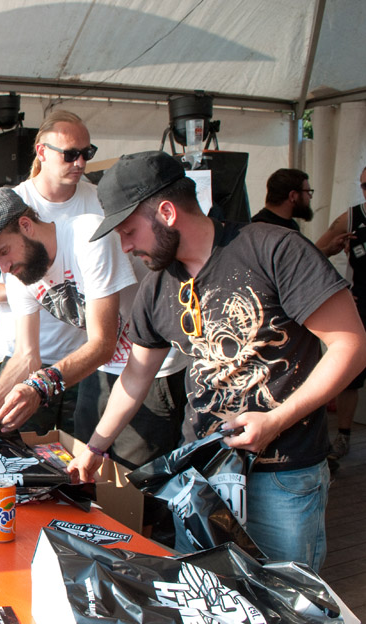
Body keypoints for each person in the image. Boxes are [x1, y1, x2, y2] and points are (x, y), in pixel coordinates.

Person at [70, 150, 366, 570]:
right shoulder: (158, 286)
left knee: (286, 605)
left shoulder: (274, 249)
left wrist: (277, 420)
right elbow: (136, 376)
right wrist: (96, 447)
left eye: (129, 230)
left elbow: (351, 346)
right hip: (205, 478)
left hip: (283, 475)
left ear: (167, 212)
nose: (126, 245)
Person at [0, 187, 186, 477]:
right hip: (102, 369)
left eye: (4, 252)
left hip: (151, 368)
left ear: (26, 226)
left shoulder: (86, 236)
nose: (5, 267)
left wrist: (40, 387)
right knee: (86, 469)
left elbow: (103, 342)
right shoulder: (18, 275)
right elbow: (27, 356)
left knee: (133, 481)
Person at [0, 110, 102, 431]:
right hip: (22, 357)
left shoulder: (97, 205)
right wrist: (45, 291)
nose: (80, 163)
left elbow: (106, 336)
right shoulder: (10, 206)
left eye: (87, 153)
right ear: (42, 151)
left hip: (84, 359)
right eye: (70, 154)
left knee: (77, 460)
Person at [316, 165, 366, 468]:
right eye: (363, 186)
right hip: (361, 306)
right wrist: (333, 248)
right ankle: (344, 435)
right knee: (350, 376)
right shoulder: (352, 217)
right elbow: (313, 250)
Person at [253, 168, 350, 256]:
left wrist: (328, 250)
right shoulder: (262, 230)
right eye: (308, 191)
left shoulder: (289, 225)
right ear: (293, 196)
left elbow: (298, 261)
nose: (310, 197)